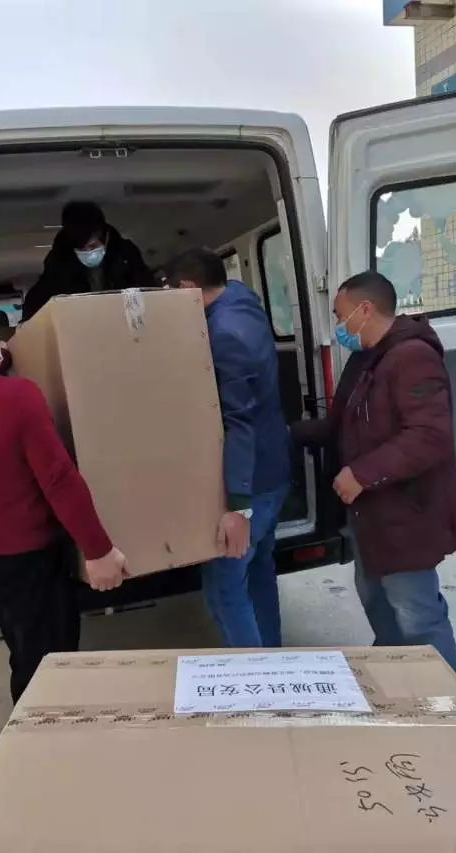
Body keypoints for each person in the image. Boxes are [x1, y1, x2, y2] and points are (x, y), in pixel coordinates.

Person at [0, 294, 128, 702]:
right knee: (50, 668)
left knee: (24, 651)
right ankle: (41, 735)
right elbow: (59, 479)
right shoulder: (19, 397)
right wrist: (99, 551)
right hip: (30, 561)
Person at [292, 271, 456, 670]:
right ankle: (398, 684)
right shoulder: (366, 358)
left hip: (406, 518)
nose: (337, 325)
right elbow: (339, 424)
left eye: (339, 315)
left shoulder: (411, 357)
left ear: (364, 310)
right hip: (370, 518)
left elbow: (429, 436)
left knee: (417, 616)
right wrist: (286, 434)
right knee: (377, 604)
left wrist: (362, 474)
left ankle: (446, 696)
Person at [166, 248, 290, 648]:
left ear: (188, 288)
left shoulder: (223, 336)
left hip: (252, 482)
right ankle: (271, 659)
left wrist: (238, 507)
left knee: (226, 588)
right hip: (274, 470)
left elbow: (239, 423)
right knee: (259, 573)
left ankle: (255, 678)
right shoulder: (242, 298)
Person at [21, 201, 155, 321]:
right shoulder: (58, 261)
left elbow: (149, 289)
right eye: (81, 248)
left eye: (92, 246)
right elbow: (41, 295)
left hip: (122, 322)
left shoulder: (125, 254)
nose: (88, 252)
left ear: (104, 236)